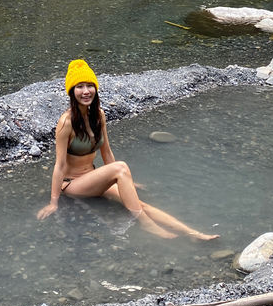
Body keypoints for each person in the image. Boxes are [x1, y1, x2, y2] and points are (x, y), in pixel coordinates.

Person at [36, 59, 218, 240]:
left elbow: (106, 152)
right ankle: (146, 224)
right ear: (72, 91)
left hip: (92, 179)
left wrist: (124, 181)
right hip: (72, 185)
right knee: (121, 168)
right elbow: (59, 165)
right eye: (80, 87)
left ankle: (193, 233)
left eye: (90, 86)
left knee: (140, 203)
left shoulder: (99, 115)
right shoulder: (66, 123)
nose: (86, 91)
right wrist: (54, 202)